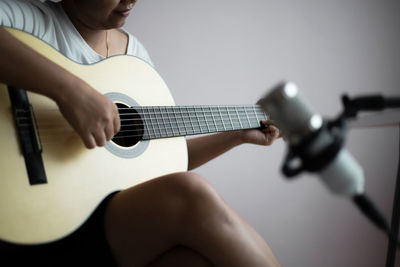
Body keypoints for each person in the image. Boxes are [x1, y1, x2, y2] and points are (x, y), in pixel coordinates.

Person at [0, 0, 281, 266]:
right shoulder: (25, 21)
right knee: (191, 192)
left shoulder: (135, 58)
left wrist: (236, 135)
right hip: (30, 221)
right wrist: (69, 91)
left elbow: (157, 166)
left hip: (107, 221)